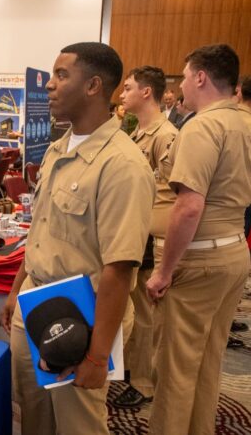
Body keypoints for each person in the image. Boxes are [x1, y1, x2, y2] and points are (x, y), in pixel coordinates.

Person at [1, 42, 155, 435]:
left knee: (77, 426)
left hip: (82, 316)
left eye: (61, 75)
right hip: (34, 304)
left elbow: (119, 269)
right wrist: (17, 289)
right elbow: (43, 230)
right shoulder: (58, 149)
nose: (50, 86)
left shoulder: (122, 165)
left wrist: (97, 355)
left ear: (93, 86)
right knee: (35, 419)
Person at [146, 44, 251, 435]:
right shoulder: (245, 121)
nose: (183, 85)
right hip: (233, 252)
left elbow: (189, 207)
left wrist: (163, 272)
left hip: (198, 261)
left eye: (185, 76)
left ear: (201, 77)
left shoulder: (203, 125)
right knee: (207, 362)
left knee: (173, 369)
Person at [114, 65, 178, 409]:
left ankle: (144, 381)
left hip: (153, 236)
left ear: (146, 92)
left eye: (127, 88)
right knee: (132, 309)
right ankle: (133, 368)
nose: (122, 95)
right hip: (136, 232)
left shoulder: (165, 136)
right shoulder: (139, 132)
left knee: (146, 314)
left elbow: (171, 193)